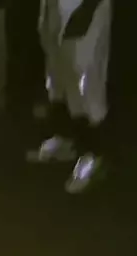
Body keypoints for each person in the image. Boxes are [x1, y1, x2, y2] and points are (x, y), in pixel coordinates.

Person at [28, 0, 111, 193]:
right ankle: (66, 139)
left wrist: (89, 7)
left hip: (85, 8)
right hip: (57, 6)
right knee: (59, 75)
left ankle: (94, 155)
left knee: (86, 82)